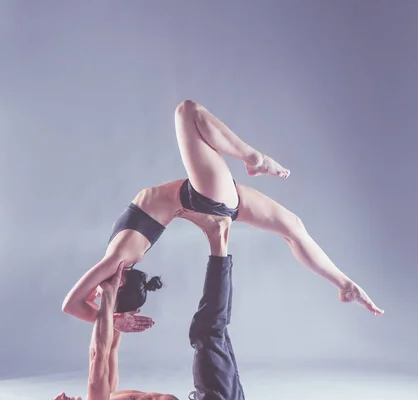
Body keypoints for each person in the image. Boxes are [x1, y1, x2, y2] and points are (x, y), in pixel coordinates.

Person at [61, 99, 384, 332]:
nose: (96, 293)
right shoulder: (116, 261)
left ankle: (345, 285)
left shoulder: (121, 264)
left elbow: (88, 299)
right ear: (117, 284)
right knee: (187, 112)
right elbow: (72, 304)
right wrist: (113, 319)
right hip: (203, 196)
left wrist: (112, 316)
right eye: (103, 294)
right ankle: (254, 158)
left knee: (293, 227)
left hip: (206, 197)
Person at [28, 212, 247, 400]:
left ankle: (220, 240)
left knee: (215, 328)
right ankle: (218, 239)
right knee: (206, 331)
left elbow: (109, 350)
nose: (60, 396)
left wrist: (120, 314)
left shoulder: (107, 399)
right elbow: (97, 356)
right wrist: (108, 298)